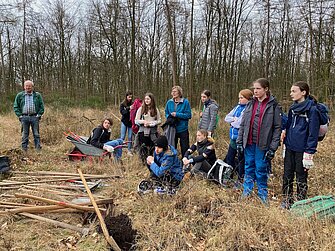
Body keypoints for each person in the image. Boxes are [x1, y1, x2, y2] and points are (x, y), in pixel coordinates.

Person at [236, 78, 281, 204]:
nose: (255, 91)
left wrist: (273, 147)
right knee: (248, 166)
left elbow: (277, 128)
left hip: (263, 144)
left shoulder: (273, 105)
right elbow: (243, 123)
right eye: (254, 88)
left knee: (261, 169)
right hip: (249, 142)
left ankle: (262, 195)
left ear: (265, 89)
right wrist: (240, 141)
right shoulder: (250, 103)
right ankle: (247, 191)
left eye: (258, 88)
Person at [280, 81, 320, 209]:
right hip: (290, 146)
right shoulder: (292, 108)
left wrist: (309, 153)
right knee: (287, 175)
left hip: (302, 150)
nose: (291, 94)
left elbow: (313, 134)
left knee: (301, 176)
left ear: (303, 92)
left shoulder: (312, 110)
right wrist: (284, 131)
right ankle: (287, 200)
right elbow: (289, 125)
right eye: (291, 91)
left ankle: (301, 203)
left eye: (294, 91)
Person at [224, 89, 253, 187]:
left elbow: (239, 123)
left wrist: (234, 122)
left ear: (247, 99)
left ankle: (241, 180)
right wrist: (234, 120)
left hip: (241, 138)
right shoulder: (237, 107)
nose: (239, 100)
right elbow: (226, 118)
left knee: (241, 159)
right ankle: (229, 177)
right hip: (233, 137)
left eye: (241, 98)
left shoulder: (248, 108)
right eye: (239, 97)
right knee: (229, 158)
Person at [13, 80, 45, 152]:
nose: (28, 87)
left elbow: (42, 106)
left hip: (34, 117)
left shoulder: (37, 95)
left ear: (32, 87)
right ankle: (24, 149)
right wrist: (20, 116)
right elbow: (15, 106)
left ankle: (38, 149)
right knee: (25, 134)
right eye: (26, 86)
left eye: (29, 86)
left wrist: (38, 115)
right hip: (24, 117)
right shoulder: (20, 95)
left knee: (36, 134)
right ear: (24, 87)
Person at [165, 86, 192, 156]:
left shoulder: (185, 102)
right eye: (172, 92)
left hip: (183, 128)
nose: (173, 93)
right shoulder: (169, 102)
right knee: (172, 147)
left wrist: (177, 114)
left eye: (175, 91)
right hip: (172, 128)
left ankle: (186, 163)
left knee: (185, 147)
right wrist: (170, 118)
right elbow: (166, 113)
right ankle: (173, 163)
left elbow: (189, 115)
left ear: (179, 93)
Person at [135, 93, 161, 162]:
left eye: (148, 99)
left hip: (153, 131)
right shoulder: (141, 109)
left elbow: (159, 120)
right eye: (145, 99)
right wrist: (143, 122)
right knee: (143, 147)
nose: (146, 100)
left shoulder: (155, 109)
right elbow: (136, 121)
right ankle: (143, 162)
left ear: (151, 100)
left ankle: (152, 162)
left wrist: (153, 123)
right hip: (143, 132)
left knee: (152, 147)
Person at [120, 91, 133, 155]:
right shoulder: (122, 104)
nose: (130, 98)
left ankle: (129, 150)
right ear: (126, 97)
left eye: (131, 97)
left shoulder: (133, 104)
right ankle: (119, 149)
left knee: (130, 137)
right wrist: (128, 109)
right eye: (129, 97)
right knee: (122, 137)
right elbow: (123, 113)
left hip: (131, 123)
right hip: (124, 122)